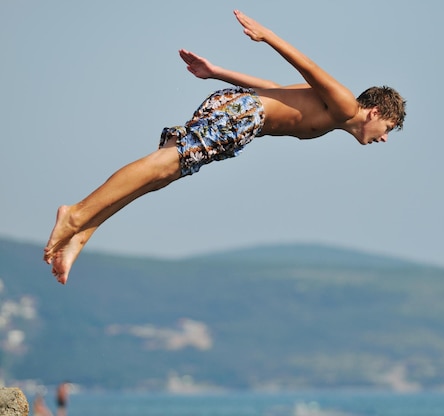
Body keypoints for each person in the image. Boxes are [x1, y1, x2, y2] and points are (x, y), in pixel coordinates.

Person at [43, 10, 406, 284]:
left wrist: (216, 71)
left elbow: (271, 86)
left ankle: (82, 234)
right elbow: (307, 65)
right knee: (158, 168)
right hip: (242, 116)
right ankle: (74, 215)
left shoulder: (330, 110)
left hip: (239, 110)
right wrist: (267, 36)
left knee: (160, 177)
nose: (384, 137)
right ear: (374, 111)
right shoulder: (344, 104)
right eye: (387, 127)